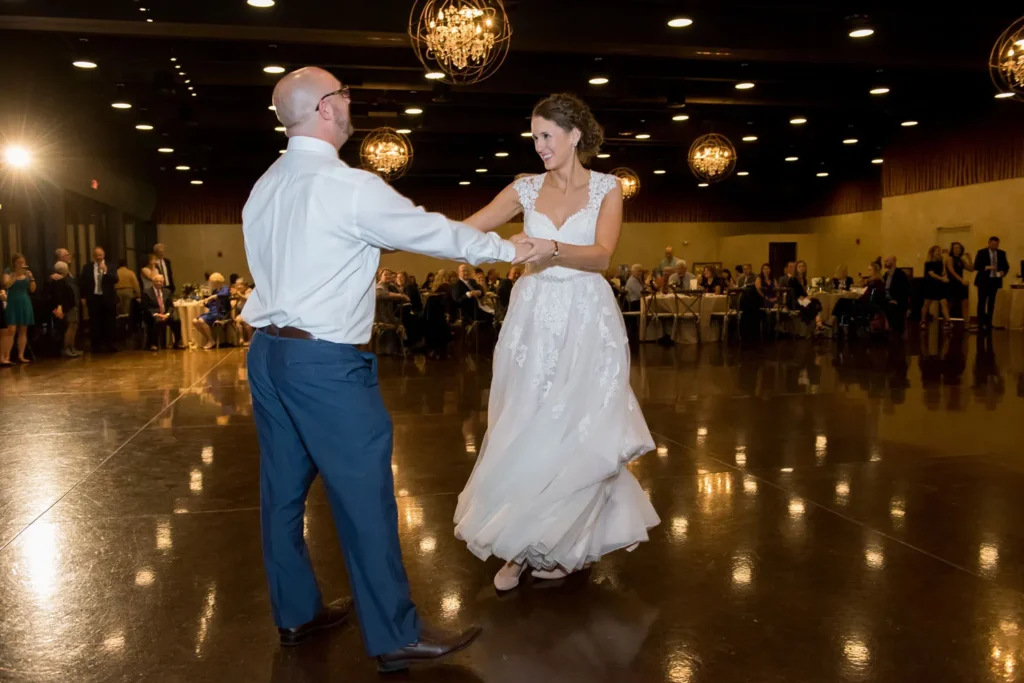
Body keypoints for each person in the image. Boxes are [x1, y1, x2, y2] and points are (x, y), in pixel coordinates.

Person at [240, 66, 532, 670]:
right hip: (323, 363)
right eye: (344, 94)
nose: (351, 102)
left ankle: (295, 613)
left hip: (268, 354)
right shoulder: (349, 186)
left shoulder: (265, 185)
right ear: (325, 108)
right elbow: (428, 231)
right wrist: (509, 248)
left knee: (281, 494)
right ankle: (395, 634)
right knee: (364, 498)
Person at [452, 92, 660, 591]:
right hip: (533, 320)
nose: (539, 145)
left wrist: (550, 247)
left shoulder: (608, 188)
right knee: (525, 424)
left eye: (546, 135)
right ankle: (515, 545)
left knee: (578, 430)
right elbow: (470, 227)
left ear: (574, 136)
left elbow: (603, 255)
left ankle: (563, 540)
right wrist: (405, 235)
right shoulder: (523, 188)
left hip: (588, 319)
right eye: (535, 136)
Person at [80, 247, 119, 353]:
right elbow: (83, 282)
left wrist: (106, 271)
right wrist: (83, 296)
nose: (99, 257)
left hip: (108, 298)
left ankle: (110, 344)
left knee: (110, 321)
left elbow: (115, 280)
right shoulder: (87, 267)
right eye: (97, 255)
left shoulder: (111, 266)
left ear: (104, 255)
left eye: (101, 255)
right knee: (95, 322)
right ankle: (96, 345)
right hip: (94, 298)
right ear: (93, 256)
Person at [1, 254, 35, 364]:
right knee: (11, 330)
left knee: (23, 330)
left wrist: (31, 278)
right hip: (12, 301)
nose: (21, 264)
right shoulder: (8, 271)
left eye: (23, 262)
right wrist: (15, 275)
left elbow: (33, 289)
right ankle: (6, 357)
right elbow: (7, 285)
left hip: (24, 300)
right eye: (19, 262)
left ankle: (21, 355)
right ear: (14, 263)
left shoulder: (27, 273)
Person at [974, 236, 1010, 331]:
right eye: (993, 244)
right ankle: (981, 323)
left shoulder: (1002, 253)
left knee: (991, 302)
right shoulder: (981, 252)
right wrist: (987, 267)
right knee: (982, 302)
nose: (995, 246)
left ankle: (989, 322)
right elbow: (976, 266)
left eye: (997, 245)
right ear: (989, 243)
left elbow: (1006, 266)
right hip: (983, 281)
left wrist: (1003, 272)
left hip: (995, 281)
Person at [50, 249, 81, 357]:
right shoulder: (57, 274)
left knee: (74, 325)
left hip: (73, 302)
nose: (69, 256)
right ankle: (67, 348)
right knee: (71, 325)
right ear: (60, 258)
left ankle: (72, 347)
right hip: (67, 304)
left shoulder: (69, 271)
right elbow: (59, 292)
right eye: (66, 255)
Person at [142, 273, 183, 350]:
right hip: (154, 315)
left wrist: (167, 314)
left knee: (177, 320)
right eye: (157, 281)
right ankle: (154, 344)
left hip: (166, 314)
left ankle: (177, 342)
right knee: (158, 321)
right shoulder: (146, 292)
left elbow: (171, 306)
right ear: (153, 282)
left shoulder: (167, 292)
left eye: (161, 281)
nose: (159, 283)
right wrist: (157, 314)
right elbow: (145, 307)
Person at [192, 273, 232, 349]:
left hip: (221, 313)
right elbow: (211, 304)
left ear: (217, 282)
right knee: (194, 321)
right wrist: (204, 303)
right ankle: (209, 339)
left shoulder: (225, 289)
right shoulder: (215, 291)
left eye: (212, 282)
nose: (211, 284)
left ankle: (211, 341)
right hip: (212, 312)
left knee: (201, 320)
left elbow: (224, 295)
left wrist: (212, 297)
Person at [921, 245, 952, 328]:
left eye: (940, 250)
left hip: (939, 285)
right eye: (937, 251)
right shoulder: (928, 263)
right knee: (927, 303)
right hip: (930, 285)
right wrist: (942, 278)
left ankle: (948, 321)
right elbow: (931, 274)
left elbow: (942, 272)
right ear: (932, 253)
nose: (939, 252)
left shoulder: (940, 262)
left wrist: (944, 274)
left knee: (943, 302)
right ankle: (923, 321)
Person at [945, 241, 972, 322]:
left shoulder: (961, 260)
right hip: (952, 283)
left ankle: (965, 321)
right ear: (952, 249)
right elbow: (952, 271)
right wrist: (961, 280)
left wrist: (969, 259)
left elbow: (971, 268)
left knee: (964, 301)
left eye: (959, 248)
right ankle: (947, 321)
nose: (957, 250)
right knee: (950, 303)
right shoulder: (950, 259)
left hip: (960, 283)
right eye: (955, 248)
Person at [883, 255, 910, 337]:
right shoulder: (886, 275)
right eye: (885, 261)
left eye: (888, 260)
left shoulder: (900, 274)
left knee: (891, 307)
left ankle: (894, 330)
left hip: (897, 300)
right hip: (886, 299)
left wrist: (897, 300)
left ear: (893, 261)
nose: (886, 262)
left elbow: (905, 290)